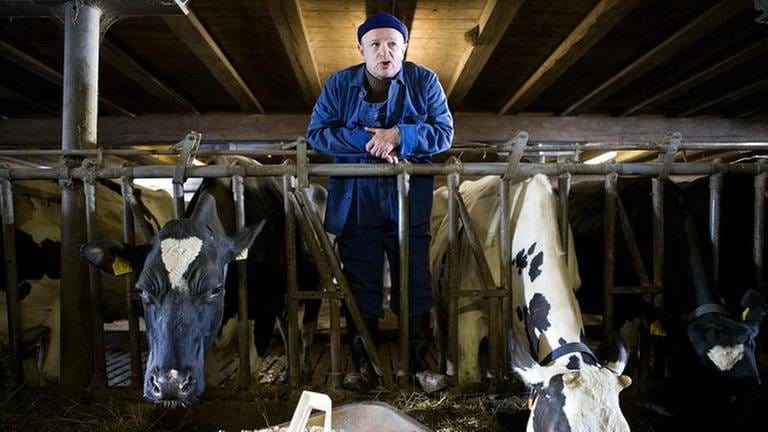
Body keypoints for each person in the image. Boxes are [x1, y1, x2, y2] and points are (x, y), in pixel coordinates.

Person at [306, 12, 453, 392]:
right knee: (360, 283)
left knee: (415, 280)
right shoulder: (339, 84)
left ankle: (418, 365)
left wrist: (399, 136)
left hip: (409, 199)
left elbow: (444, 134)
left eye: (392, 43)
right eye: (375, 44)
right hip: (357, 200)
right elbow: (317, 135)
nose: (384, 51)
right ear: (360, 48)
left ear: (404, 47)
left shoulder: (425, 81)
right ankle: (362, 366)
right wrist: (370, 142)